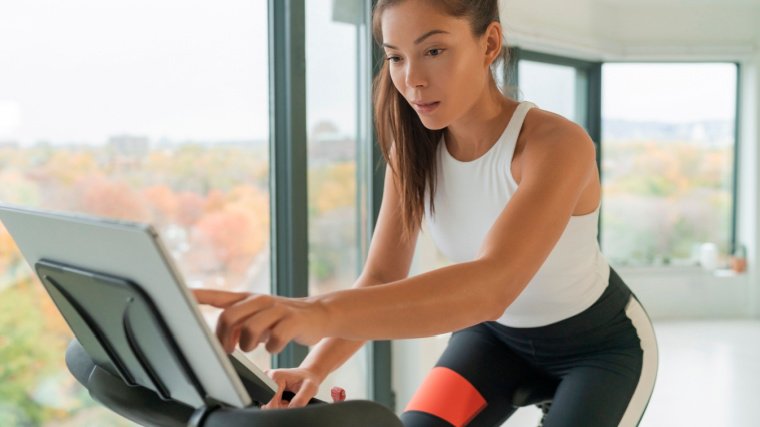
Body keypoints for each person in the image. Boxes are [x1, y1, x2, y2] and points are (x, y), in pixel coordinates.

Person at [192, 0, 659, 425]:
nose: (412, 78)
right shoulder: (412, 151)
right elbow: (382, 278)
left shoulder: (556, 145)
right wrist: (314, 367)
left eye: (433, 51)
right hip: (492, 341)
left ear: (489, 43)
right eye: (395, 56)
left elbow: (493, 284)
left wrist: (315, 313)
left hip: (598, 349)